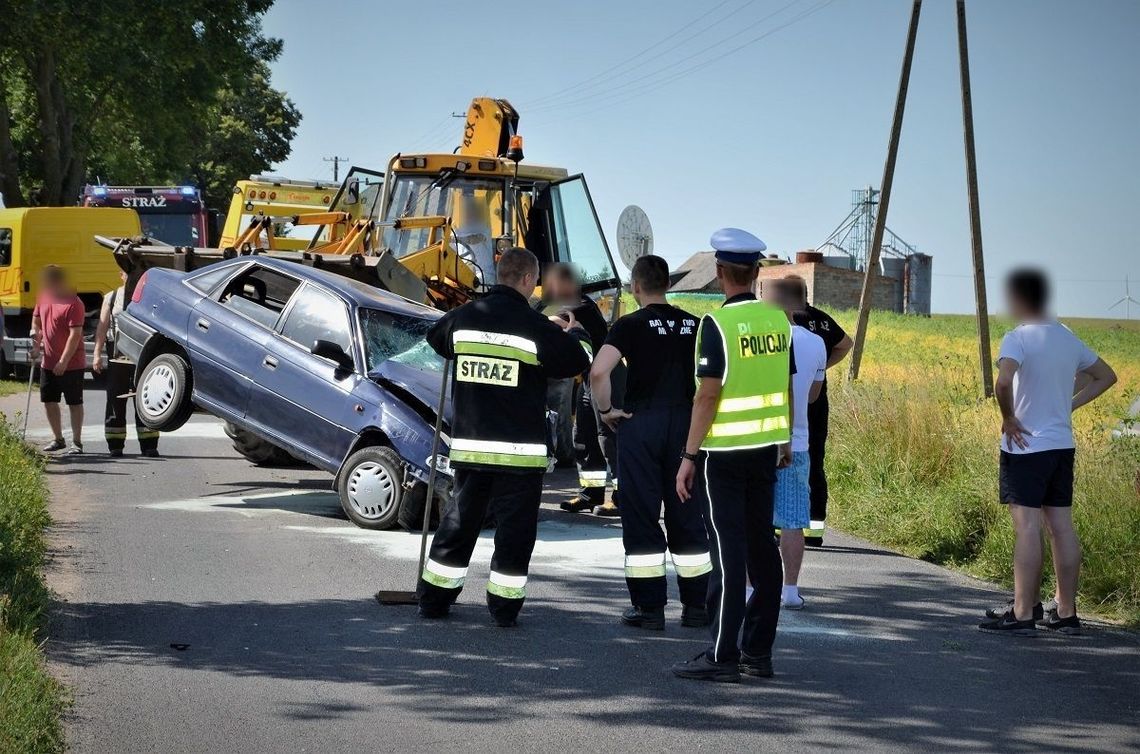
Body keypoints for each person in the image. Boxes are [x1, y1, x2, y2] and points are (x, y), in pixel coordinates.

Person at [417, 247, 590, 627]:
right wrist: (574, 333)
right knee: (514, 535)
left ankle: (433, 599)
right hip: (519, 456)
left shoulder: (463, 318)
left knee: (459, 525)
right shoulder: (535, 327)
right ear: (529, 280)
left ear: (499, 273)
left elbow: (436, 337)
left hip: (472, 449)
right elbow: (578, 361)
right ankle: (503, 609)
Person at [671, 228, 795, 683]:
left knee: (727, 553)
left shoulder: (716, 325)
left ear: (720, 273)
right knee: (763, 548)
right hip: (765, 450)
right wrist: (784, 440)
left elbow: (707, 395)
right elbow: (783, 383)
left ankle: (722, 655)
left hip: (722, 454)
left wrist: (688, 455)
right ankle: (757, 653)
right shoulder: (779, 320)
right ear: (756, 272)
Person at [979, 269, 1116, 636]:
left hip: (1025, 447)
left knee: (1026, 527)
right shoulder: (1067, 339)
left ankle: (1023, 612)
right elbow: (1105, 376)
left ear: (1021, 300)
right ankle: (1066, 611)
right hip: (1060, 445)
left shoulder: (1017, 338)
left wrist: (1008, 418)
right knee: (1060, 527)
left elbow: (1004, 380)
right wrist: (1068, 405)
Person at [590, 255, 711, 630]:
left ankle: (649, 609)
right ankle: (696, 608)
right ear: (668, 285)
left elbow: (598, 371)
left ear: (636, 286)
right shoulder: (695, 324)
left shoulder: (629, 325)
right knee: (688, 513)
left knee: (641, 514)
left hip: (641, 424)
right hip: (686, 424)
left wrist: (608, 409)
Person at [763, 277, 826, 610]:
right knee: (792, 519)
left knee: (754, 517)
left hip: (757, 439)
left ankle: (748, 586)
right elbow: (814, 396)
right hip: (797, 440)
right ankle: (790, 589)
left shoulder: (760, 338)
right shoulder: (816, 343)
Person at [540, 263, 617, 515]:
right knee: (583, 438)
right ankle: (591, 494)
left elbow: (549, 323)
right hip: (588, 380)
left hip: (605, 379)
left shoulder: (579, 305)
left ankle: (622, 498)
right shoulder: (568, 305)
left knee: (608, 440)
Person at [787, 275, 853, 547]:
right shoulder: (822, 319)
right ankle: (815, 529)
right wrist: (820, 368)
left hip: (790, 400)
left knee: (785, 458)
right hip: (816, 399)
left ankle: (783, 524)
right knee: (815, 459)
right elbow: (846, 344)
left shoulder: (787, 321)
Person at [92, 272, 160, 458]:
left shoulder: (149, 297)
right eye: (127, 273)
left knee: (146, 398)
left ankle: (149, 445)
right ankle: (115, 444)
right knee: (115, 399)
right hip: (117, 354)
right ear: (121, 275)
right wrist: (97, 354)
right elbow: (102, 327)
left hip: (143, 355)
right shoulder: (111, 297)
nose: (130, 277)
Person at [31, 265, 86, 454]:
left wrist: (63, 361)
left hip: (72, 363)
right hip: (48, 360)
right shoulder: (43, 296)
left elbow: (75, 335)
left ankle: (76, 442)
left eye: (47, 282)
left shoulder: (74, 303)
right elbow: (36, 322)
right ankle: (58, 439)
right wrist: (36, 344)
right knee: (49, 401)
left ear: (58, 281)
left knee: (74, 403)